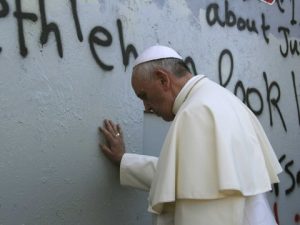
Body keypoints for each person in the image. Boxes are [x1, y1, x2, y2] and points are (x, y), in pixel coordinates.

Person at [99, 45, 282, 225]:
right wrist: (124, 160)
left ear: (163, 80)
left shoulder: (196, 112)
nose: (146, 107)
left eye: (144, 96)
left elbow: (200, 197)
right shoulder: (219, 98)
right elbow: (182, 178)